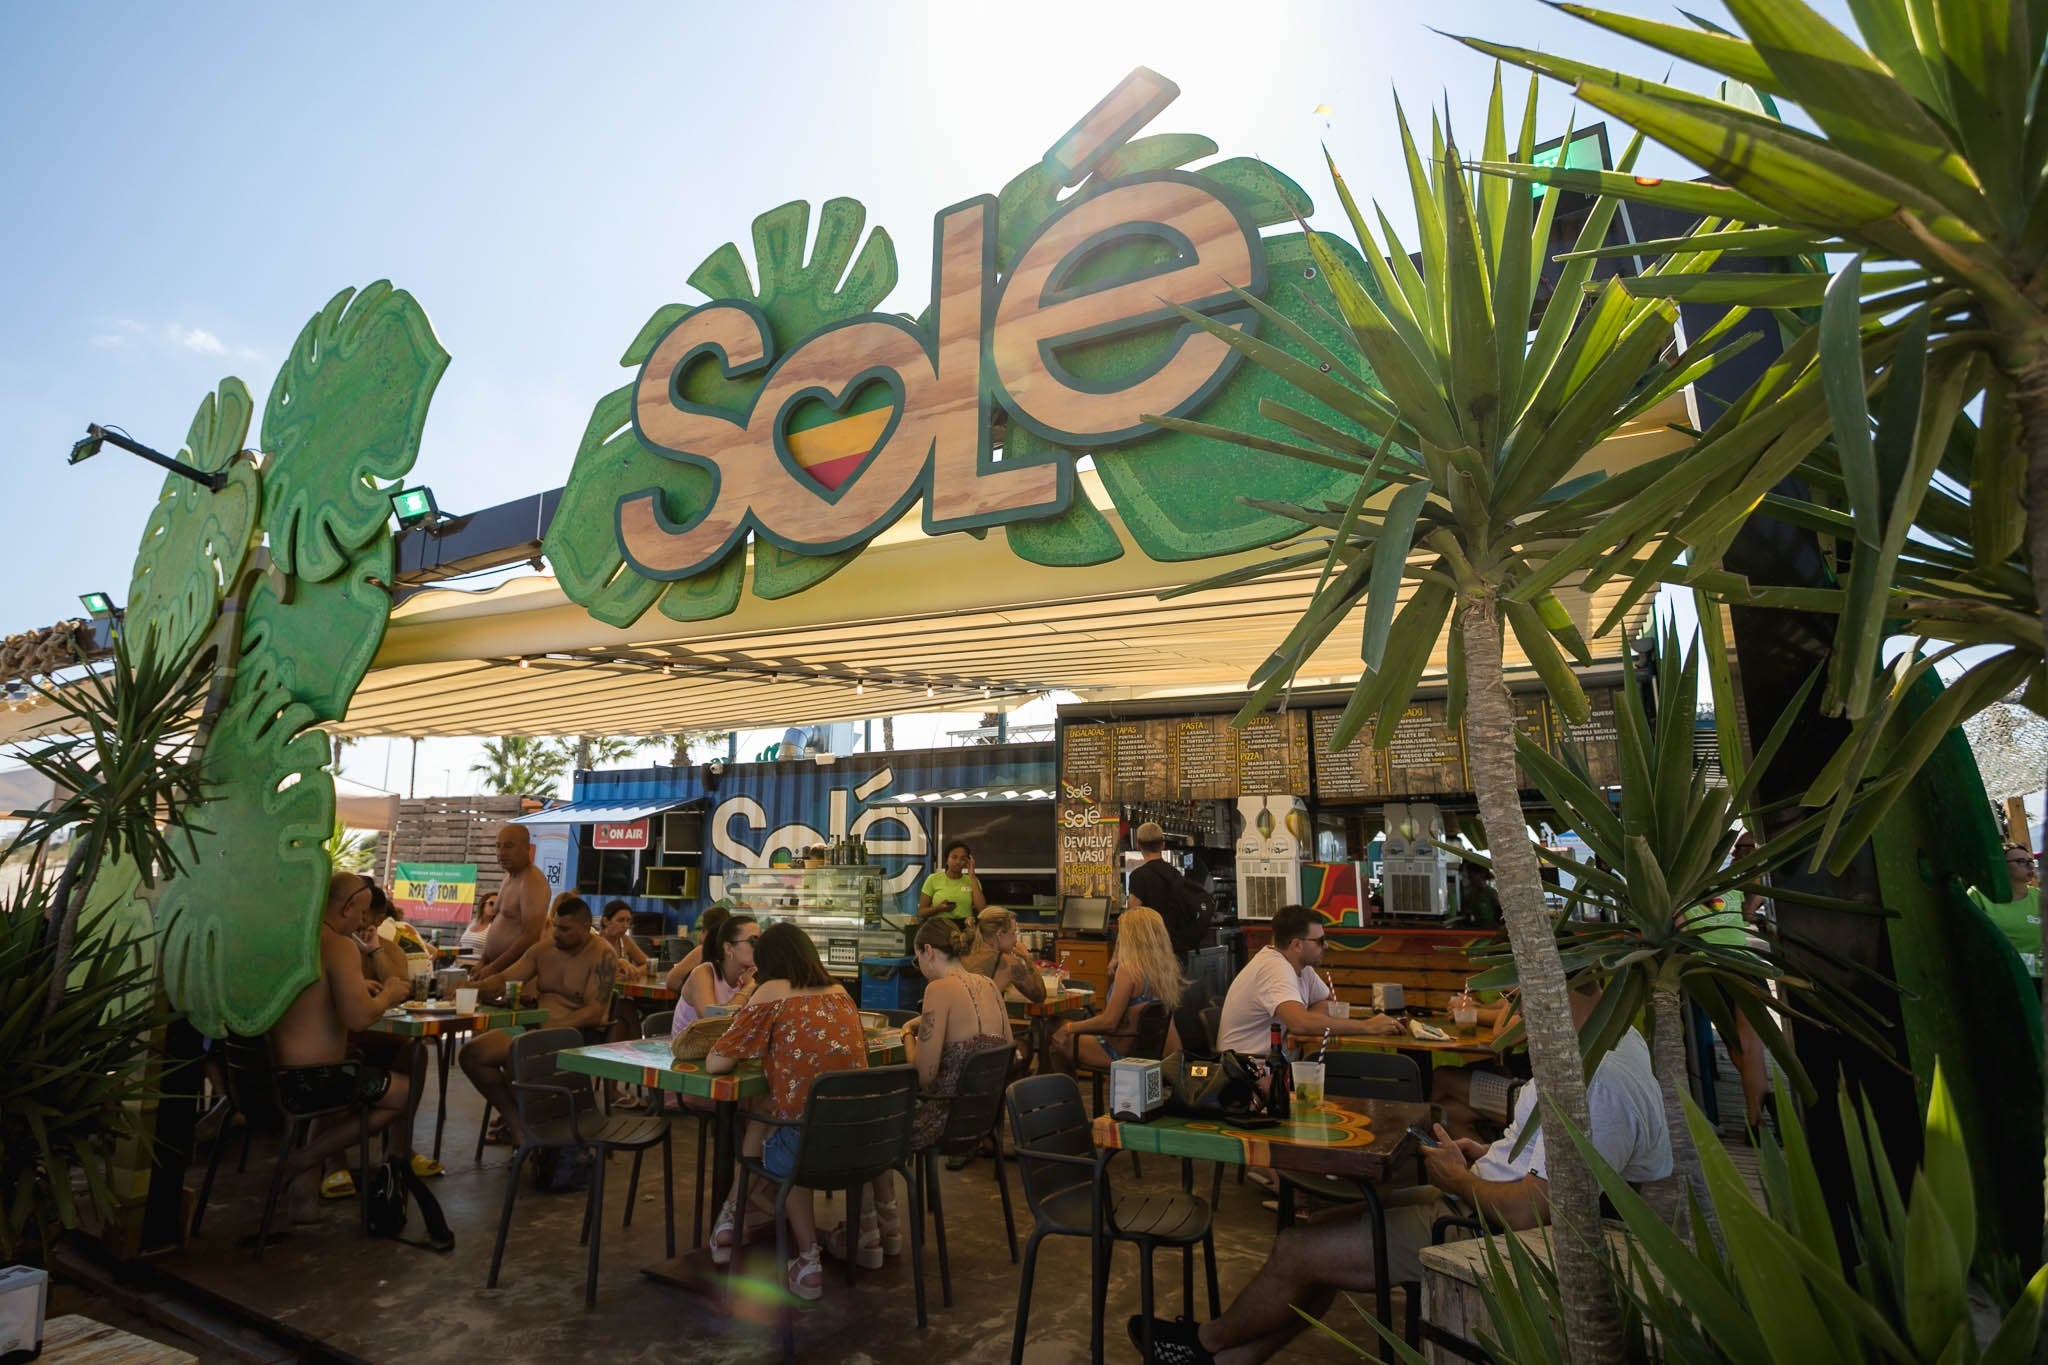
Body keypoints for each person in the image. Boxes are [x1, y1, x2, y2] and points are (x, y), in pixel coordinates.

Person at [1133, 981, 1671, 1365]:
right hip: (1484, 1199)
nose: (1515, 1012)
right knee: (1316, 1242)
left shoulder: (1590, 1077)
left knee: (1298, 1251)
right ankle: (1224, 1358)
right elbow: (1554, 1166)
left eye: (1515, 997)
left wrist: (1459, 1179)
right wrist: (1483, 1151)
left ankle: (1205, 1343)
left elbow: (1530, 1210)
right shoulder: (1615, 1041)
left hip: (1483, 1227)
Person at [704, 923, 868, 1301]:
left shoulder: (772, 992)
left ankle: (806, 1258)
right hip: (862, 1146)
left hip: (805, 1152)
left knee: (779, 1127)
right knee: (773, 1110)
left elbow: (717, 1062)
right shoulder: (841, 993)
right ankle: (732, 1219)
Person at [268, 873, 414, 1223]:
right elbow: (361, 1017)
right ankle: (305, 1159)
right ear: (348, 906)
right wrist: (392, 994)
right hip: (313, 1081)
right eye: (362, 913)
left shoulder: (295, 937)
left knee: (353, 1060)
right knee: (404, 1093)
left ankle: (305, 1190)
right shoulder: (338, 944)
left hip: (269, 1074)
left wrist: (353, 984)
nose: (364, 922)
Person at [459, 895, 616, 1145]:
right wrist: (470, 987)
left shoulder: (603, 955)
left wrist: (546, 1031)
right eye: (555, 925)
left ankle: (531, 1129)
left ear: (586, 928)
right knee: (472, 1054)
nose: (556, 933)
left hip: (575, 1036)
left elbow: (594, 1012)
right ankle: (518, 1123)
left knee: (519, 1057)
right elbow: (507, 977)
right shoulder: (544, 949)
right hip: (534, 1029)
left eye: (565, 929)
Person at [1215, 905, 1403, 1058]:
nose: (1326, 945)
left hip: (1275, 1065)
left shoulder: (1301, 966)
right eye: (1320, 941)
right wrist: (1367, 1026)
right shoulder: (1274, 968)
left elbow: (1324, 1001)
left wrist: (1309, 1019)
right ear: (1297, 945)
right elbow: (1300, 1024)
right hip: (1248, 1070)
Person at [1051, 905, 1186, 1071]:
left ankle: (1060, 1093)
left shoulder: (1129, 970)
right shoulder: (1163, 970)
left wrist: (1068, 1028)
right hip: (1145, 1053)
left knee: (1055, 1033)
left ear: (1131, 935)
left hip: (1116, 1054)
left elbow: (1109, 1022)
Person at [470, 824, 549, 982]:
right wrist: (484, 960)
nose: (501, 853)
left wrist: (493, 968)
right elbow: (498, 923)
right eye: (498, 846)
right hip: (495, 969)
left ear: (527, 848)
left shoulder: (532, 881)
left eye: (509, 846)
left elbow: (531, 936)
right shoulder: (508, 877)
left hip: (514, 977)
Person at [1127, 821, 1205, 957]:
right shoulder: (1175, 874)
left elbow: (1132, 917)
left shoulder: (1138, 876)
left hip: (1153, 951)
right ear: (1163, 844)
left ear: (1138, 845)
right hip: (1177, 949)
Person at [1968, 842, 2042, 979]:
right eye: (2021, 861)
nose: (2030, 865)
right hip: (1991, 976)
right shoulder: (1978, 895)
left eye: (2031, 861)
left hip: (2033, 977)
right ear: (2001, 865)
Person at [679, 913, 760, 1025]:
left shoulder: (750, 975)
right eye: (753, 941)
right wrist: (749, 987)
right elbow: (711, 1022)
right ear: (728, 948)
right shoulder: (703, 972)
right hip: (690, 1041)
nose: (760, 947)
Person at [963, 906, 1047, 1004]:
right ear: (999, 934)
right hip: (986, 1018)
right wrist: (1027, 958)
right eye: (1013, 933)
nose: (1015, 940)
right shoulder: (1009, 963)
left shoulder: (962, 954)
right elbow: (1039, 995)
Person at [664, 902, 733, 992]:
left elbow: (671, 981)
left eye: (700, 929)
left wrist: (689, 992)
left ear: (706, 931)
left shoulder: (703, 950)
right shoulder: (734, 951)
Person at [918, 840, 986, 922]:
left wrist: (972, 875)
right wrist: (938, 909)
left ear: (967, 862)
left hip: (965, 927)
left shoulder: (972, 880)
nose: (958, 862)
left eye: (962, 859)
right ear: (946, 860)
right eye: (954, 857)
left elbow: (981, 909)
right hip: (939, 927)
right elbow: (922, 912)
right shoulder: (933, 879)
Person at [597, 899, 651, 982]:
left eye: (628, 921)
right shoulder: (594, 940)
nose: (625, 926)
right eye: (620, 920)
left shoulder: (624, 939)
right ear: (606, 921)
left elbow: (649, 964)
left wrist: (634, 972)